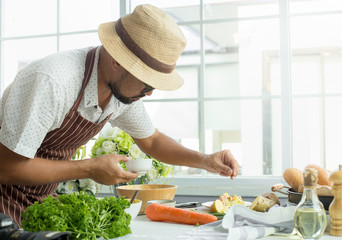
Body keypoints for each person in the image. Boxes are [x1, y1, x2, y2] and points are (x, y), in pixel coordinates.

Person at [0, 4, 240, 227]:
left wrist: (205, 160)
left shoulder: (120, 90)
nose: (150, 92)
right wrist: (89, 168)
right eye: (147, 82)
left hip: (40, 201)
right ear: (117, 61)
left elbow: (152, 141)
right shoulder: (53, 82)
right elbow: (7, 168)